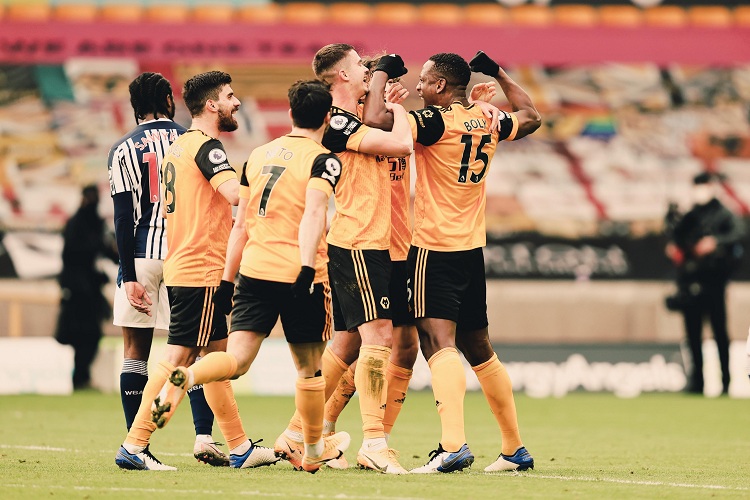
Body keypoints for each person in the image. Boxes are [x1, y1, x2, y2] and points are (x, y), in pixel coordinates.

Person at [151, 79, 351, 474]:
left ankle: (188, 375)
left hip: (254, 272)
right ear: (328, 117)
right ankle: (312, 451)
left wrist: (227, 282)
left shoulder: (257, 156)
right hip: (301, 275)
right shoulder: (324, 160)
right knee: (310, 370)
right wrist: (307, 266)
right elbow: (314, 214)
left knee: (236, 360)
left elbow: (240, 225)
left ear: (290, 114)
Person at [114, 70, 278, 471]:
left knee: (215, 358)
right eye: (230, 96)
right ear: (211, 104)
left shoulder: (180, 147)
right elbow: (235, 194)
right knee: (179, 358)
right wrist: (274, 176)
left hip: (186, 262)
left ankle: (239, 446)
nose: (237, 102)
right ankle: (134, 444)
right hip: (201, 266)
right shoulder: (208, 148)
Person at [405, 51, 541, 473]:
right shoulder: (487, 118)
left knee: (437, 343)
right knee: (479, 348)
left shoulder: (432, 121)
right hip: (470, 248)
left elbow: (376, 125)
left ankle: (453, 446)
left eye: (424, 80)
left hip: (433, 247)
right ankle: (514, 448)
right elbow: (531, 115)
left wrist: (380, 88)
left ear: (441, 85)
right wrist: (498, 71)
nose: (418, 87)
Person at [294, 43, 413, 475]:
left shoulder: (353, 117)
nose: (366, 68)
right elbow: (401, 145)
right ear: (342, 75)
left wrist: (382, 95)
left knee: (346, 343)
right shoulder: (337, 120)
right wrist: (397, 109)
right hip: (360, 239)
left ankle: (298, 432)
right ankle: (374, 442)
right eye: (359, 64)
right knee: (380, 336)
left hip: (365, 239)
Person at [107, 72, 227, 468]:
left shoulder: (123, 148)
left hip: (141, 256)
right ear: (169, 101)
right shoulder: (189, 139)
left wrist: (127, 276)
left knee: (135, 354)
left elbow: (122, 218)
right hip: (184, 253)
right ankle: (204, 436)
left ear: (135, 107)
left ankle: (136, 444)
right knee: (194, 350)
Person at [665, 171, 745, 395]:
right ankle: (697, 381)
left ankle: (725, 381)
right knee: (693, 334)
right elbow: (678, 238)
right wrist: (675, 245)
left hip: (714, 282)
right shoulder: (690, 215)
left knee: (719, 332)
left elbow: (739, 233)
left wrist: (715, 242)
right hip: (690, 282)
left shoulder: (723, 214)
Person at [55, 184, 118, 390]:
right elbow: (73, 255)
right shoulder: (77, 224)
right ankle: (80, 378)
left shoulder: (94, 224)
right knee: (82, 335)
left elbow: (107, 252)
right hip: (78, 291)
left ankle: (82, 377)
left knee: (90, 335)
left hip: (89, 290)